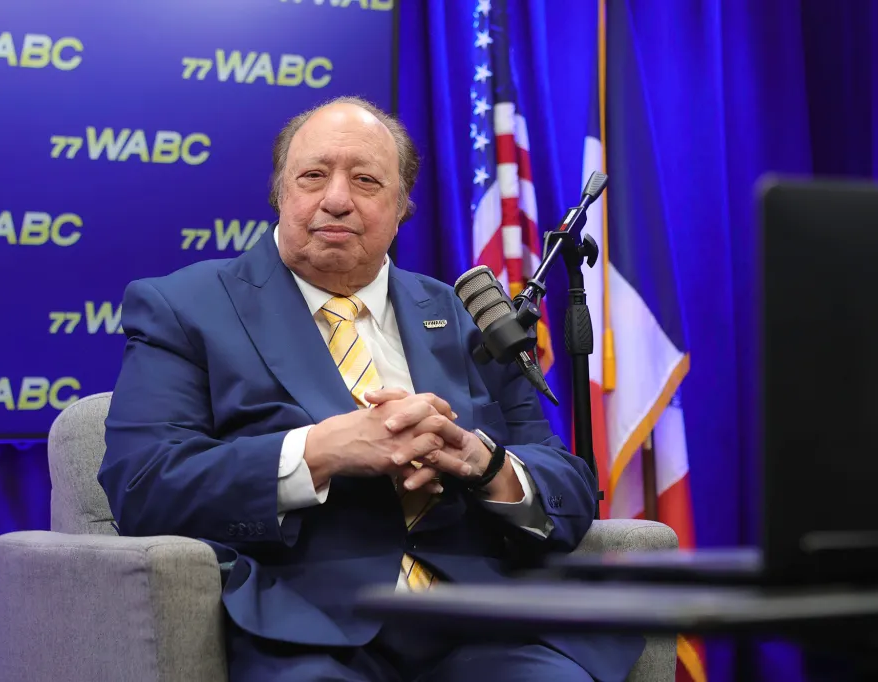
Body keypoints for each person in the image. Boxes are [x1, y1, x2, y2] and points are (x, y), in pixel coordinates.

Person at [98, 96, 644, 682]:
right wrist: (320, 452)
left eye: (365, 181)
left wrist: (484, 464)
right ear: (280, 192)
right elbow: (143, 482)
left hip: (481, 621)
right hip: (307, 628)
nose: (336, 199)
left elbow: (565, 478)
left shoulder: (461, 314)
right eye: (313, 176)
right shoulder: (187, 307)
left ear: (401, 206)